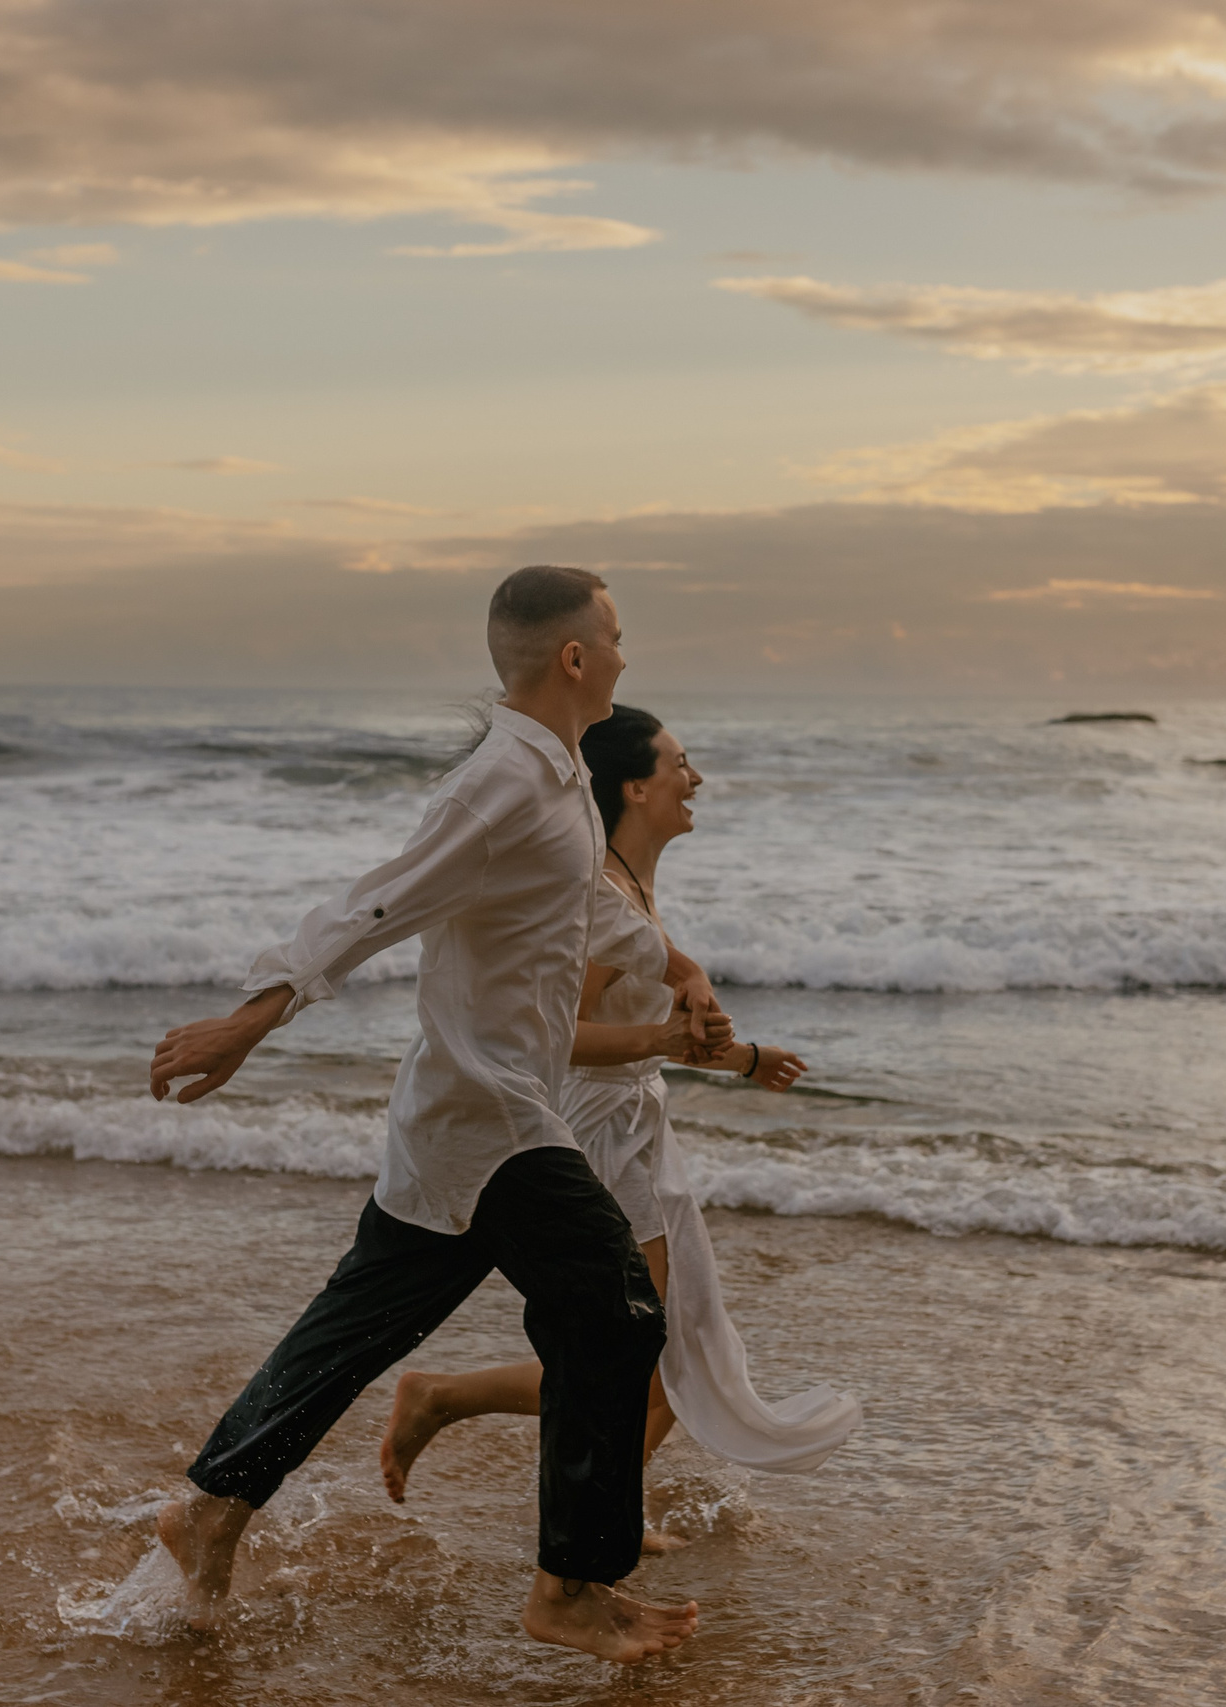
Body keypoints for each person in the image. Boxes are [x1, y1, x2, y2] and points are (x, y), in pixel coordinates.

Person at [147, 568, 728, 1664]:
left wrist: (683, 978)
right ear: (572, 657)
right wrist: (249, 1021)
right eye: (613, 636)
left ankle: (209, 1513)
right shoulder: (499, 782)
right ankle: (570, 1589)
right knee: (615, 1312)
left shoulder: (554, 780)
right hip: (491, 1115)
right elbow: (378, 901)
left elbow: (590, 909)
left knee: (349, 1335)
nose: (621, 652)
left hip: (474, 1119)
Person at [376, 706, 863, 1535]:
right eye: (681, 762)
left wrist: (741, 1057)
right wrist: (671, 1036)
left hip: (641, 1125)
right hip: (598, 1131)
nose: (695, 777)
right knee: (642, 1346)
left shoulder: (633, 889)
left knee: (685, 1348)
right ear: (636, 786)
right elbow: (558, 1039)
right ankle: (447, 1400)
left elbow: (651, 1035)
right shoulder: (598, 897)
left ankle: (606, 1507)